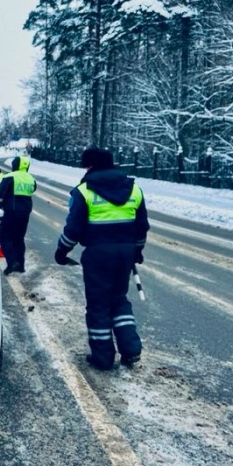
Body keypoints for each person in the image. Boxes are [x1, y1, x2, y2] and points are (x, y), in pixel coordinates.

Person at [54, 147, 149, 371]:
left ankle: (103, 357)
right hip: (125, 252)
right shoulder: (134, 189)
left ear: (91, 165)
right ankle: (131, 352)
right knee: (119, 299)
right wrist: (137, 250)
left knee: (98, 305)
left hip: (98, 254)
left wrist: (62, 251)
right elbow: (141, 226)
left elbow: (73, 229)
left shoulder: (84, 192)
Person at [0, 155, 37, 275]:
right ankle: (21, 265)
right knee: (19, 238)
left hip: (10, 212)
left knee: (4, 237)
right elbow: (32, 190)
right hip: (25, 213)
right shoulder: (31, 179)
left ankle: (12, 263)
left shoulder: (9, 177)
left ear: (14, 165)